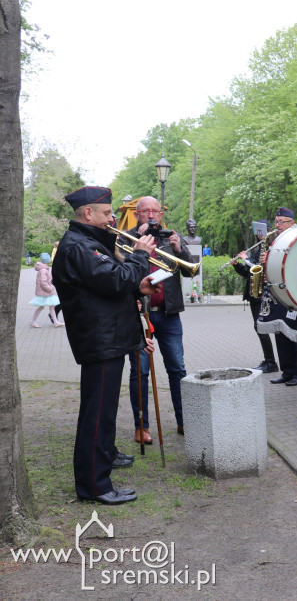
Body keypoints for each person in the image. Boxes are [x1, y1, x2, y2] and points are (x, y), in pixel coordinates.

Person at [52, 186, 158, 505]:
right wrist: (140, 254)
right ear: (88, 214)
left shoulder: (87, 243)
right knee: (97, 414)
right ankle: (95, 486)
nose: (112, 218)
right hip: (100, 341)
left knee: (104, 410)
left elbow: (109, 284)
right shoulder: (80, 246)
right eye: (107, 213)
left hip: (107, 338)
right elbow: (114, 280)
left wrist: (136, 284)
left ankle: (105, 457)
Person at [127, 196, 199, 440]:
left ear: (161, 214)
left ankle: (184, 421)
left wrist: (179, 248)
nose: (150, 215)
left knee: (177, 369)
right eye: (145, 211)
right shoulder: (125, 237)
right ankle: (141, 427)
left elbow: (191, 271)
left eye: (155, 211)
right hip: (138, 317)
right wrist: (139, 239)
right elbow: (121, 272)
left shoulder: (171, 237)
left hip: (169, 316)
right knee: (140, 372)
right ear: (137, 215)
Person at [258, 208, 297, 387]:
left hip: (294, 294)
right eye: (276, 221)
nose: (277, 225)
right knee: (281, 333)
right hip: (278, 293)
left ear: (292, 223)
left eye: (282, 222)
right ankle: (287, 371)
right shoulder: (275, 241)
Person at [231, 220, 279, 374]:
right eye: (257, 232)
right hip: (253, 292)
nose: (258, 235)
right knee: (258, 327)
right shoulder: (258, 248)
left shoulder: (270, 248)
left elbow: (260, 267)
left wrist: (246, 259)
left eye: (261, 231)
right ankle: (269, 360)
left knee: (261, 327)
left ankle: (271, 362)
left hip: (262, 293)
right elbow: (250, 272)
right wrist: (237, 265)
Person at [28, 251, 63, 328]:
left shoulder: (44, 269)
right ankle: (33, 321)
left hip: (45, 292)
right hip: (45, 292)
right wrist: (50, 288)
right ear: (48, 260)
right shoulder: (43, 270)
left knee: (51, 307)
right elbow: (43, 283)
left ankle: (55, 322)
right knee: (42, 307)